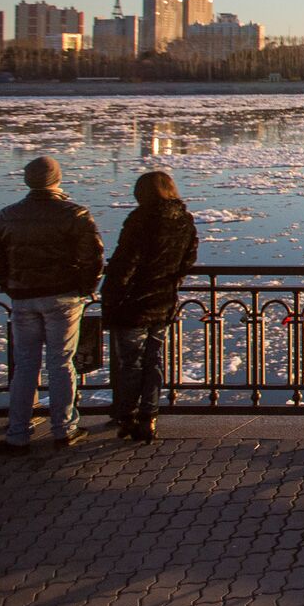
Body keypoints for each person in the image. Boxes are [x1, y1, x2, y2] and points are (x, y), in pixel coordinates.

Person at [0, 156, 104, 454]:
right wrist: (85, 288)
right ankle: (64, 429)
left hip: (23, 298)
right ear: (57, 178)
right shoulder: (74, 214)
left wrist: (12, 285)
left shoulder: (6, 216)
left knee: (25, 365)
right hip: (63, 298)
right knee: (61, 363)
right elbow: (93, 258)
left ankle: (18, 434)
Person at [101, 170, 199, 441]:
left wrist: (111, 296)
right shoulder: (184, 220)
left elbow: (125, 262)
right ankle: (149, 415)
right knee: (153, 360)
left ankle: (127, 416)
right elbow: (187, 260)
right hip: (163, 301)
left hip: (133, 304)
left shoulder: (140, 219)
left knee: (131, 362)